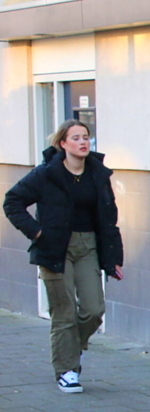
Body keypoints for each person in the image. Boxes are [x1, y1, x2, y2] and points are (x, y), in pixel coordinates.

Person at [4, 120, 124, 393]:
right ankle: (67, 370)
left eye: (86, 137)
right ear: (63, 144)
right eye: (76, 138)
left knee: (94, 310)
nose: (83, 142)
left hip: (88, 246)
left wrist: (114, 256)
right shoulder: (46, 174)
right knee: (64, 312)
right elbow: (12, 201)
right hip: (55, 247)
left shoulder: (98, 173)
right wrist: (36, 233)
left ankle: (71, 349)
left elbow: (108, 219)